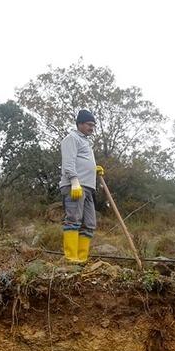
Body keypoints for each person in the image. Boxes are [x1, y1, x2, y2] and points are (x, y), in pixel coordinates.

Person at [59, 109, 104, 263]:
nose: (92, 128)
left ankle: (82, 259)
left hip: (88, 187)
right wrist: (74, 181)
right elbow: (68, 162)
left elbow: (83, 160)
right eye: (89, 124)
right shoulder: (71, 138)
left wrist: (94, 168)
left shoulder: (86, 141)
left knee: (89, 224)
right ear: (80, 124)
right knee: (73, 219)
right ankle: (71, 259)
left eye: (93, 125)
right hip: (75, 186)